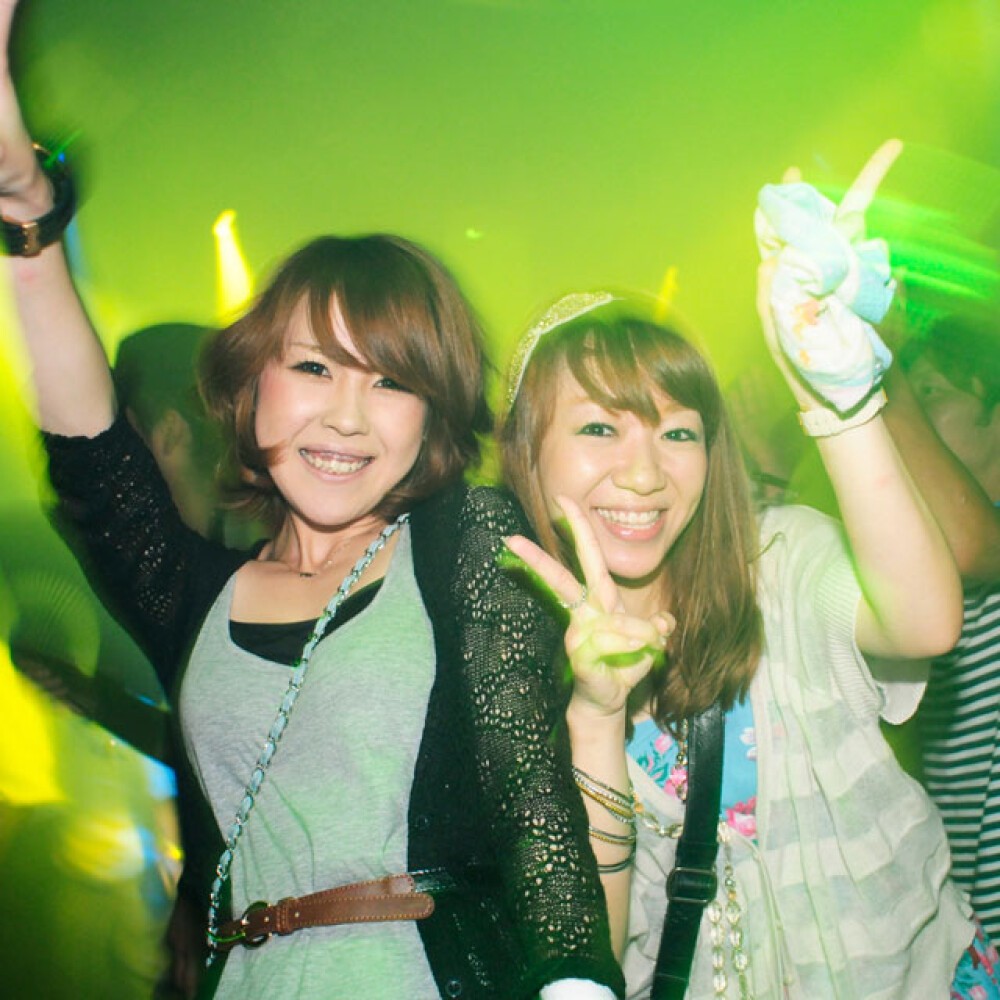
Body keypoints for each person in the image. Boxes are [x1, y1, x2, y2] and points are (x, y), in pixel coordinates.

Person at [0, 2, 624, 997]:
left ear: (431, 415)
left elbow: (531, 805)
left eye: (391, 381)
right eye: (312, 367)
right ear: (251, 386)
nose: (346, 416)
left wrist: (576, 980)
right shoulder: (193, 593)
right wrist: (28, 214)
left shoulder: (466, 543)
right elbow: (89, 447)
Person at [500, 145, 998, 998]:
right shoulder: (498, 665)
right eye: (599, 429)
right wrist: (596, 715)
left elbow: (924, 622)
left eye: (678, 432)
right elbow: (589, 960)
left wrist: (842, 398)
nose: (644, 473)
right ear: (527, 455)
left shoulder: (777, 564)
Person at [886, 314, 1000, 938]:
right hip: (964, 920)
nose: (916, 411)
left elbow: (969, 543)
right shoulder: (914, 552)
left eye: (932, 391)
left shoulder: (972, 539)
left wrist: (878, 373)